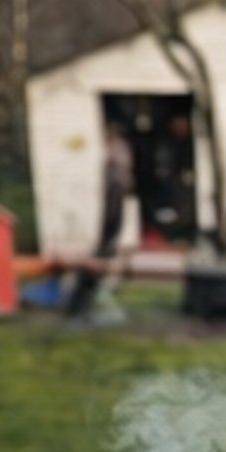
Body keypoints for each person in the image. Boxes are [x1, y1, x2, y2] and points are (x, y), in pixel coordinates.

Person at [65, 123, 135, 318]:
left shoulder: (116, 160)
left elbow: (120, 187)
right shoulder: (111, 161)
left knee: (101, 258)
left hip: (108, 225)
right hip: (101, 232)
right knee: (94, 262)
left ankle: (84, 303)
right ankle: (79, 304)